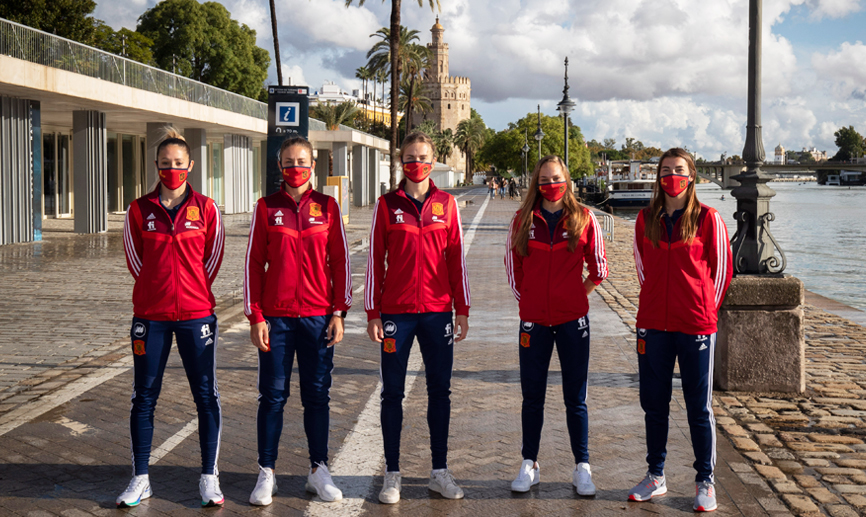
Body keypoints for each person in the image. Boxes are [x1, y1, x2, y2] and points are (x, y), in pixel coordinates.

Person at [119, 128, 226, 508]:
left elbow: (211, 259)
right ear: (156, 166)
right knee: (144, 397)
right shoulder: (139, 209)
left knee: (205, 396)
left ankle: (209, 478)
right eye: (165, 164)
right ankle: (140, 478)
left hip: (197, 316)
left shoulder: (207, 208)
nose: (172, 169)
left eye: (179, 164)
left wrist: (195, 291)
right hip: (151, 317)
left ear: (190, 166)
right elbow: (136, 262)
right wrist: (155, 289)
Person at [244, 136, 351, 505]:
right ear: (279, 166)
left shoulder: (328, 207)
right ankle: (266, 472)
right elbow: (254, 265)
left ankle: (318, 470)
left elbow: (340, 262)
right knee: (272, 397)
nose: (296, 167)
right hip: (276, 318)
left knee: (317, 396)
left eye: (302, 161)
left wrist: (339, 311)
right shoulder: (265, 207)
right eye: (289, 161)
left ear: (314, 164)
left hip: (318, 318)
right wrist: (256, 315)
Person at [365, 131, 471, 504]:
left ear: (434, 160)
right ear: (401, 162)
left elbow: (456, 259)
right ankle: (392, 473)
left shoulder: (447, 205)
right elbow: (375, 262)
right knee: (392, 393)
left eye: (423, 157)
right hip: (397, 314)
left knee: (439, 392)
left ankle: (439, 471)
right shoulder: (386, 205)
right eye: (410, 157)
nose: (417, 163)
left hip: (438, 313)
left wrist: (463, 309)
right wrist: (373, 312)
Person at [629, 148, 732, 512]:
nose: (672, 176)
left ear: (692, 176)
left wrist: (703, 311)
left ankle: (705, 480)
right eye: (666, 170)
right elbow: (643, 270)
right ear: (658, 178)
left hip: (695, 326)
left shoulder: (709, 218)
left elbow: (722, 272)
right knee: (653, 405)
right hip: (654, 325)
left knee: (698, 408)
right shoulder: (646, 219)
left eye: (679, 170)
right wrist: (656, 304)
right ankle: (655, 475)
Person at [505, 155, 608, 496]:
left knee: (575, 398)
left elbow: (599, 269)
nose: (551, 185)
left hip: (572, 322)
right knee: (532, 397)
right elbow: (513, 268)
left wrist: (576, 296)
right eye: (545, 180)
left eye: (557, 178)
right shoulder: (522, 220)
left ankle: (582, 467)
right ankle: (529, 463)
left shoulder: (584, 218)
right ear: (537, 183)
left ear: (568, 180)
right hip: (533, 322)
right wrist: (530, 302)